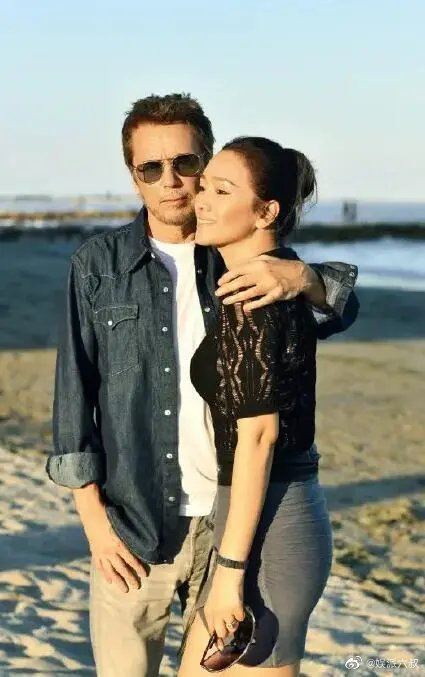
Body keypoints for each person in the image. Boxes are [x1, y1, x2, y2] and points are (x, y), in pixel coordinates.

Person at [45, 94, 358, 677]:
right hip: (134, 525)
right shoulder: (97, 266)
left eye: (186, 164)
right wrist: (96, 529)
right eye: (150, 168)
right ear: (133, 175)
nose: (171, 181)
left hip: (229, 525)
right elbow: (73, 402)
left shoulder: (242, 259)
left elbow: (334, 312)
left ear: (206, 163)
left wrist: (305, 277)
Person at [178, 138, 340, 677]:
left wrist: (229, 570)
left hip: (271, 526)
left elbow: (258, 437)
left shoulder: (257, 297)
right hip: (251, 518)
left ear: (266, 212)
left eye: (222, 191)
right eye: (204, 186)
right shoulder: (268, 279)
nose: (202, 199)